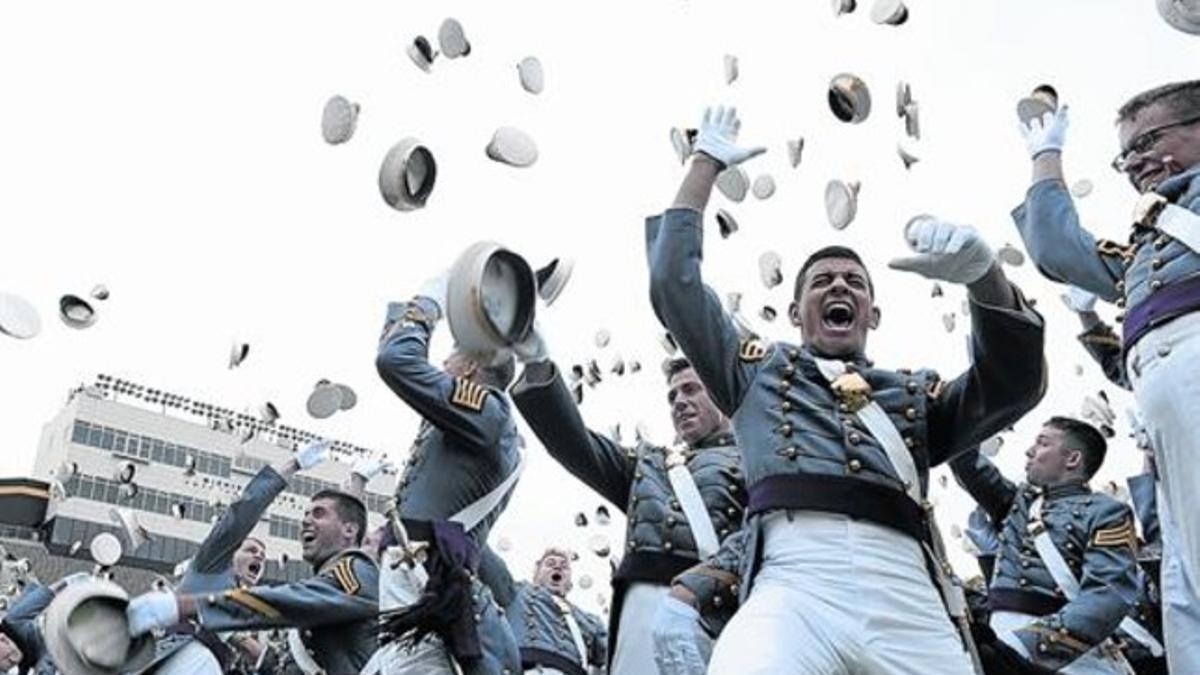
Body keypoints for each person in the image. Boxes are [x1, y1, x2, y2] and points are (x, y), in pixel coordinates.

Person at [647, 105, 1046, 674]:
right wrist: (705, 164)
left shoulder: (913, 394)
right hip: (793, 580)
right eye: (823, 282)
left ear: (873, 314)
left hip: (906, 585)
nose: (840, 286)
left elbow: (1011, 387)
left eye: (854, 282)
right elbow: (673, 286)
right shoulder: (754, 371)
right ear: (794, 310)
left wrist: (987, 278)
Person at [1011, 79, 1200, 671]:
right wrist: (1047, 157)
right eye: (1126, 153)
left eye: (1150, 140)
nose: (1136, 162)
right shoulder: (1149, 236)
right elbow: (1056, 249)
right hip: (1164, 399)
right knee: (1184, 589)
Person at [509, 339, 744, 674]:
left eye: (692, 390)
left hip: (724, 617)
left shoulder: (757, 457)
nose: (679, 402)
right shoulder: (650, 465)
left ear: (722, 393)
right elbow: (575, 444)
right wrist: (537, 362)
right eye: (673, 396)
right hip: (641, 618)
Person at [368, 275, 522, 675]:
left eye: (451, 356)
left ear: (470, 366)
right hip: (417, 570)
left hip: (423, 572)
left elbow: (396, 362)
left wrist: (430, 304)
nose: (441, 365)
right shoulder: (474, 418)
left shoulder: (489, 410)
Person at [948, 418, 1140, 673]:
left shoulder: (1107, 512)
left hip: (1065, 655)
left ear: (1072, 459)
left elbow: (1107, 595)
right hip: (998, 640)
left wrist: (1025, 647)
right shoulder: (1020, 504)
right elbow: (966, 462)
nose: (1030, 451)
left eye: (1042, 443)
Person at [126, 487, 379, 674]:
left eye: (319, 514)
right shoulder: (208, 573)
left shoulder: (355, 570)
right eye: (305, 514)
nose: (305, 521)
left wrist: (187, 606)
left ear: (349, 530)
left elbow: (293, 600)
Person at [144, 440, 332, 674]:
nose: (260, 557)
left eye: (263, 556)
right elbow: (241, 516)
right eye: (251, 550)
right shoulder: (209, 569)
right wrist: (293, 465)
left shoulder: (251, 608)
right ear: (230, 553)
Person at [480, 546, 608, 675]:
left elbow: (615, 652)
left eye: (564, 566)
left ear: (570, 582)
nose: (558, 567)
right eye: (550, 563)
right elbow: (483, 556)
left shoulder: (591, 621)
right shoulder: (517, 593)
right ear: (537, 571)